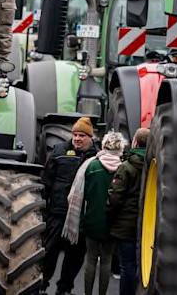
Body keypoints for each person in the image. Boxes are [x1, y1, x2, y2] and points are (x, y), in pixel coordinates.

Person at [63, 131, 126, 295]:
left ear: (104, 146)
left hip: (91, 220)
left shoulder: (92, 166)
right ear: (120, 148)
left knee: (90, 260)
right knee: (106, 261)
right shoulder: (123, 168)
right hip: (113, 223)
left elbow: (82, 194)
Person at [42, 117, 98, 295]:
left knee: (75, 255)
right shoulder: (59, 151)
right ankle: (42, 284)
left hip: (80, 217)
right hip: (58, 212)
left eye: (82, 135)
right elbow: (46, 181)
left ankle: (64, 288)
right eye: (75, 134)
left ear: (91, 138)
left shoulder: (96, 157)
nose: (77, 138)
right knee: (49, 250)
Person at [107, 127, 150, 295]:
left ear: (134, 142)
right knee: (141, 265)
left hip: (125, 225)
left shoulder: (127, 166)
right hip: (146, 225)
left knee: (127, 266)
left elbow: (115, 197)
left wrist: (109, 214)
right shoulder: (154, 164)